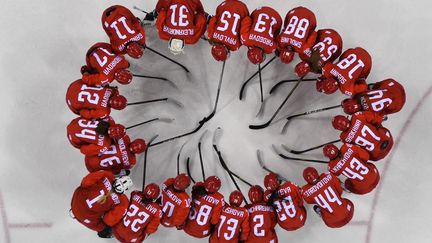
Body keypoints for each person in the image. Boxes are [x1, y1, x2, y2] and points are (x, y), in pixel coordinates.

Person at [70, 171, 132, 238]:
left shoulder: (107, 176)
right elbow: (108, 220)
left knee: (82, 189)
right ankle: (106, 234)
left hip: (76, 202)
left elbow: (85, 181)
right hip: (86, 218)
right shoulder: (123, 202)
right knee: (104, 229)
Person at [341, 78, 406, 116]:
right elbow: (362, 81)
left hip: (398, 105)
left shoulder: (366, 114)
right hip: (394, 87)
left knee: (380, 114)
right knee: (371, 86)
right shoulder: (358, 95)